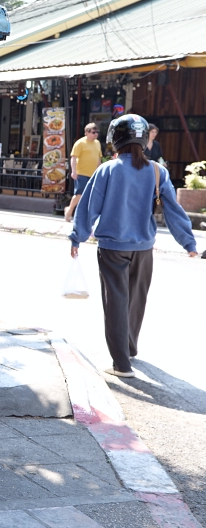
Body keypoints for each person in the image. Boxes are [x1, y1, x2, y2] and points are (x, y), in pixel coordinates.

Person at [69, 113, 198, 378]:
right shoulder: (156, 171)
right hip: (144, 249)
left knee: (116, 302)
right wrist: (189, 242)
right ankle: (129, 348)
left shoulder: (108, 169)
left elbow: (88, 208)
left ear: (115, 139)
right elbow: (173, 210)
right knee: (136, 301)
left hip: (113, 248)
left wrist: (77, 237)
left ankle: (121, 365)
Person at [65, 123, 103, 222]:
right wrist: (73, 171)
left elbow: (98, 158)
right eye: (93, 132)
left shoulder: (97, 143)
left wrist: (99, 172)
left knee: (91, 195)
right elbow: (73, 158)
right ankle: (70, 210)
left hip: (93, 174)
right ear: (86, 133)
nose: (96, 134)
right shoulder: (80, 143)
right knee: (80, 194)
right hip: (81, 172)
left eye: (97, 132)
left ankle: (85, 217)